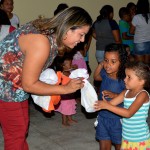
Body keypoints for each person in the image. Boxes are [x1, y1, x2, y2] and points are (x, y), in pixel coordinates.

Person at [0, 6, 92, 150]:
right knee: (16, 134)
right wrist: (64, 88)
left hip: (15, 87)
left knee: (21, 128)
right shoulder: (42, 42)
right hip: (5, 90)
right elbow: (29, 85)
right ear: (68, 28)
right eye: (81, 34)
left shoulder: (51, 33)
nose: (83, 40)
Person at [94, 62, 150, 150]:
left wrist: (107, 106)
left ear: (141, 81)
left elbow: (128, 113)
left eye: (129, 77)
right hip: (126, 136)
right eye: (125, 76)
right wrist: (101, 104)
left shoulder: (142, 95)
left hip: (139, 138)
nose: (124, 79)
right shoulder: (125, 92)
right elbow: (111, 104)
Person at [93, 43, 128, 150]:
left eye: (113, 62)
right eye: (106, 60)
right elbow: (96, 77)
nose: (108, 64)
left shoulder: (124, 80)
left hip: (117, 119)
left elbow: (131, 97)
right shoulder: (105, 73)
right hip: (103, 116)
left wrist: (116, 95)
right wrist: (100, 64)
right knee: (103, 145)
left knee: (119, 145)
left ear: (121, 63)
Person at [55, 55, 77, 126]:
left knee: (70, 106)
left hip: (70, 94)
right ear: (63, 66)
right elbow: (61, 84)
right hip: (64, 95)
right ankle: (64, 121)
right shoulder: (61, 74)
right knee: (64, 109)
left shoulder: (69, 72)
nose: (71, 65)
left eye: (71, 63)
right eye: (69, 64)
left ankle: (70, 118)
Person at [130, 0, 150, 66]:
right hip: (149, 42)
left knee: (140, 66)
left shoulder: (136, 17)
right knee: (147, 65)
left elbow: (131, 31)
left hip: (139, 43)